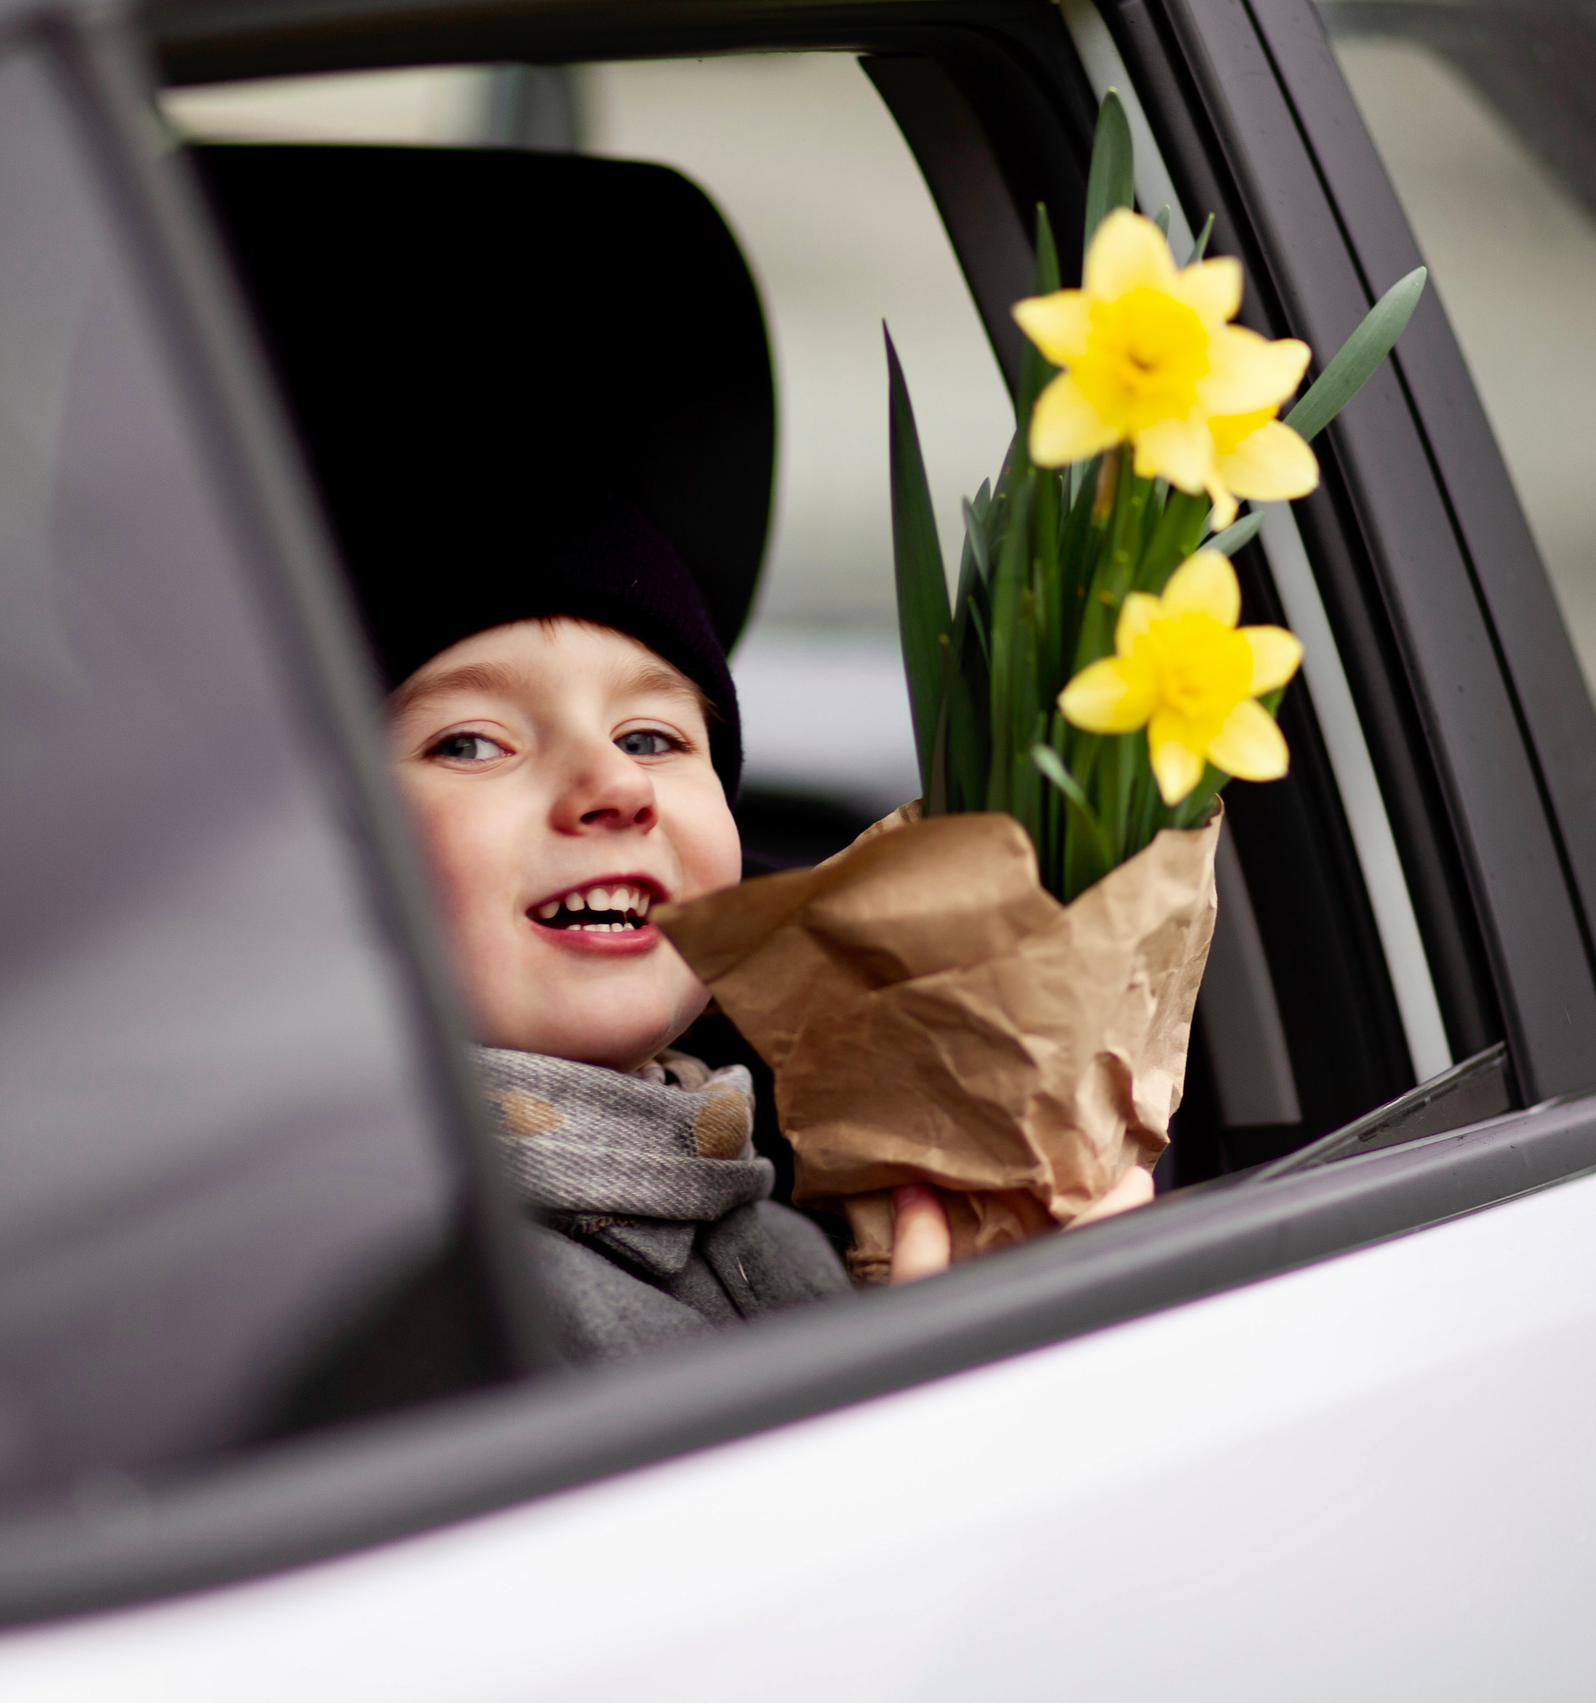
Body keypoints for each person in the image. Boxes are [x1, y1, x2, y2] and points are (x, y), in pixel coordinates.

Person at [364, 509, 1149, 1364]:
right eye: (473, 743)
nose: (618, 782)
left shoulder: (802, 1222)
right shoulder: (416, 1315)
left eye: (652, 737)